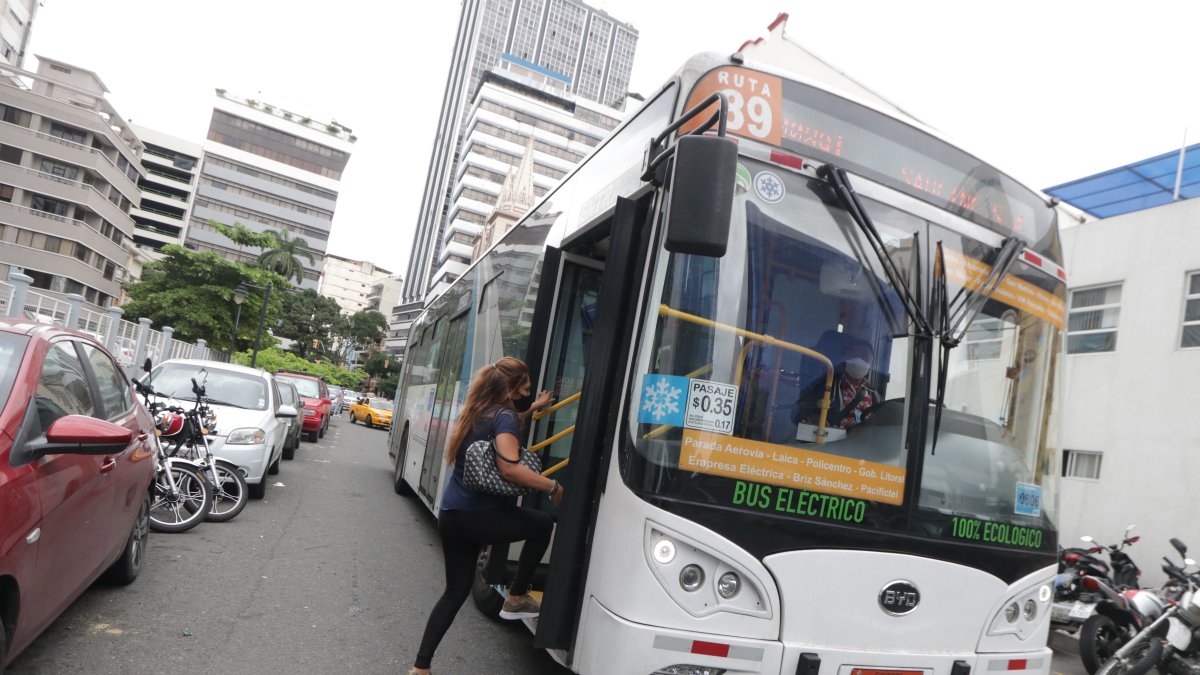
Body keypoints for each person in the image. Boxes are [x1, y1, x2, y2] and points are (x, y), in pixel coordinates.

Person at [409, 356, 562, 675]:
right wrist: (552, 486)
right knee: (542, 524)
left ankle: (420, 667)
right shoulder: (504, 417)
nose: (528, 392)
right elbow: (510, 468)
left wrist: (533, 409)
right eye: (526, 388)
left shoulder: (477, 412)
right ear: (512, 388)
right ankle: (516, 597)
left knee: (454, 593)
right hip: (480, 517)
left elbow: (507, 423)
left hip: (452, 516)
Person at [792, 340, 882, 431]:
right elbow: (799, 411)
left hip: (862, 439)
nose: (859, 360)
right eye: (854, 355)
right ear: (845, 357)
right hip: (830, 439)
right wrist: (814, 418)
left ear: (871, 363)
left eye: (864, 357)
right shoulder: (826, 385)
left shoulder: (874, 395)